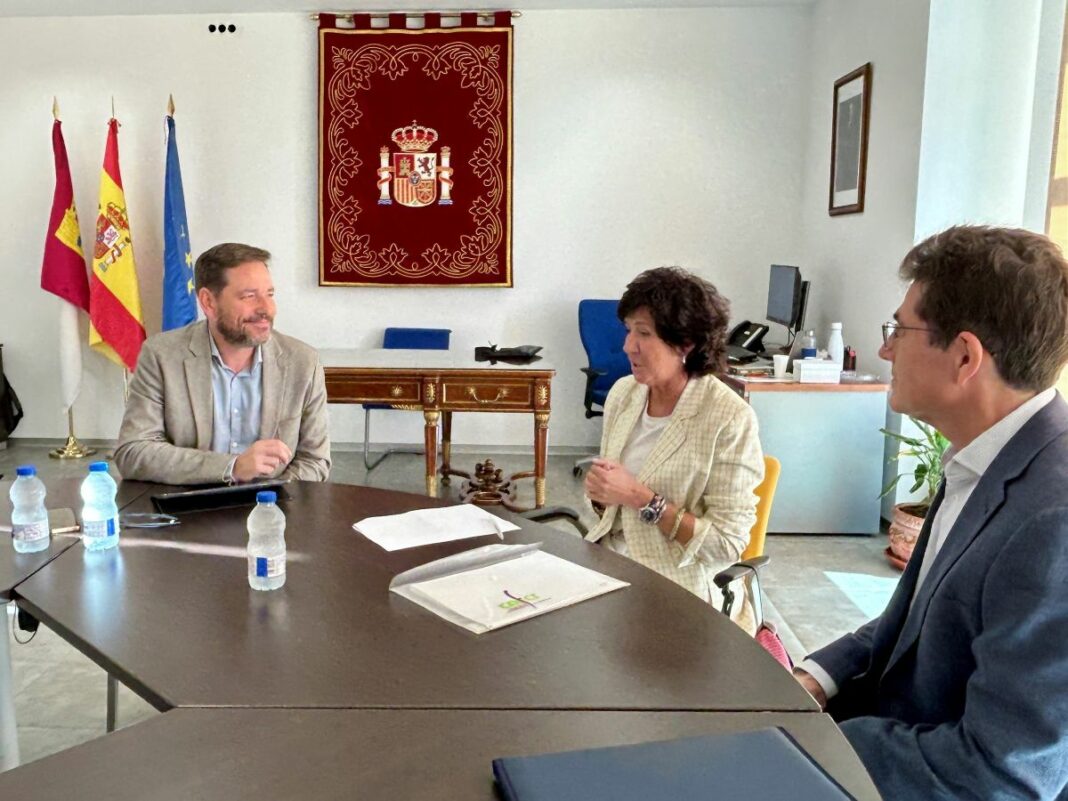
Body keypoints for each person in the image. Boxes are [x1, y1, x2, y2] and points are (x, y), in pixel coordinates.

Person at [794, 226, 1068, 800]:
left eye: (899, 329)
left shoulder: (1054, 519)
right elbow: (918, 618)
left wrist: (820, 745)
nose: (886, 349)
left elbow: (998, 776)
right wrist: (817, 676)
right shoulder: (984, 453)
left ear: (965, 356)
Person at [583, 266, 764, 630]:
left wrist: (640, 497)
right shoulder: (624, 394)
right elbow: (609, 506)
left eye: (644, 333)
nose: (627, 346)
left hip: (677, 588)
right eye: (629, 330)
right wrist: (602, 495)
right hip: (610, 569)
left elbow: (726, 547)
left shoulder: (728, 418)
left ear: (686, 344)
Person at [115, 243, 330, 485]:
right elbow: (133, 452)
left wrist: (267, 499)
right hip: (188, 508)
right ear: (208, 302)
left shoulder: (302, 361)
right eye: (249, 296)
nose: (267, 309)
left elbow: (315, 461)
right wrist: (231, 467)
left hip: (273, 510)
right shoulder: (161, 356)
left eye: (269, 294)